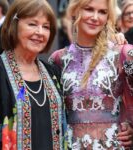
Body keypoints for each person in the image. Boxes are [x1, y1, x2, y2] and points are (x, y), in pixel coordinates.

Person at [49, 0, 133, 149]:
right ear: (75, 11)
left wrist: (131, 126)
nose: (95, 17)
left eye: (102, 12)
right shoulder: (58, 60)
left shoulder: (122, 53)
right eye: (89, 9)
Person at [0, 0, 65, 149]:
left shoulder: (53, 72)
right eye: (32, 24)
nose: (39, 32)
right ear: (14, 26)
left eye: (46, 27)